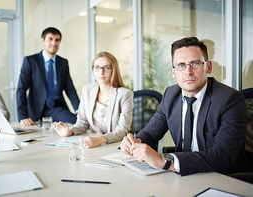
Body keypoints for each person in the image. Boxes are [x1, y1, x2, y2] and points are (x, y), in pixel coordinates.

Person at [120, 37, 250, 176]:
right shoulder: (171, 94)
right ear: (173, 72)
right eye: (181, 65)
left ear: (209, 67)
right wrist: (135, 142)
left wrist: (165, 161)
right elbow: (151, 133)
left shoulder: (230, 100)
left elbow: (223, 156)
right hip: (181, 176)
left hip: (222, 178)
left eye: (195, 63)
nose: (188, 71)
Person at [55, 52, 134, 148]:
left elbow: (122, 130)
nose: (101, 72)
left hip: (115, 145)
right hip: (93, 144)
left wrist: (100, 140)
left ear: (114, 70)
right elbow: (82, 123)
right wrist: (70, 131)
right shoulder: (88, 89)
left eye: (106, 68)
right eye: (97, 67)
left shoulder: (125, 94)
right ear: (93, 70)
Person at [16, 27, 80, 126]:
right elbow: (21, 89)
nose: (54, 43)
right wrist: (22, 117)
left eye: (57, 40)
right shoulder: (30, 61)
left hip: (56, 107)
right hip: (35, 109)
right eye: (50, 39)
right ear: (43, 41)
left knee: (77, 122)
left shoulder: (63, 63)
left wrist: (78, 110)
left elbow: (70, 89)